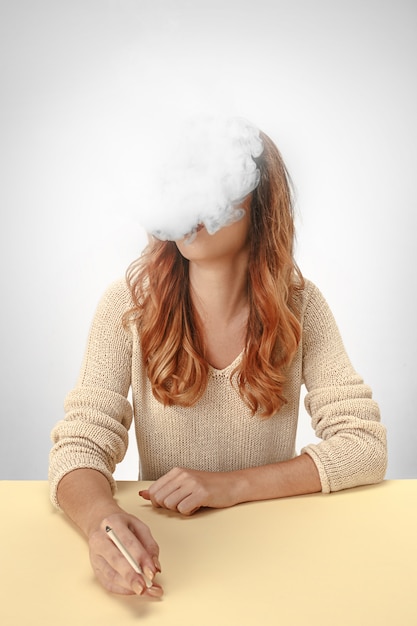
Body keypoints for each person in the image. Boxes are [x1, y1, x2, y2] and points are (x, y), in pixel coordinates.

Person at [48, 117, 387, 599]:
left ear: (259, 207)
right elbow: (79, 445)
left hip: (277, 560)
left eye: (212, 181)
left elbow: (364, 446)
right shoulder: (127, 307)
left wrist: (230, 486)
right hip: (174, 562)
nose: (192, 197)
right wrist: (101, 520)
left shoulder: (301, 307)